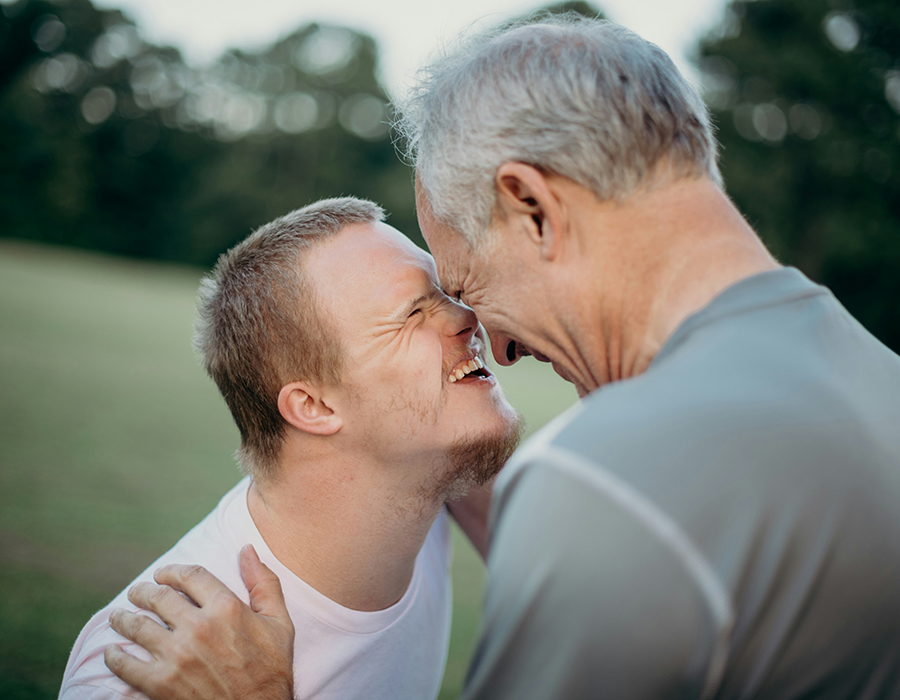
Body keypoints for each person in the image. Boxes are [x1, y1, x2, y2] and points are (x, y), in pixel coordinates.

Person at [106, 15, 900, 700]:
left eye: (466, 282)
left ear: (533, 208)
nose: (500, 344)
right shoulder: (877, 378)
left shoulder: (608, 484)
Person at [60, 197, 521, 699]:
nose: (468, 316)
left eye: (447, 291)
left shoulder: (430, 471)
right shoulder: (152, 669)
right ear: (313, 406)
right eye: (413, 313)